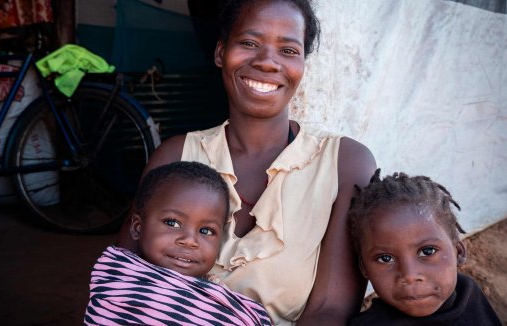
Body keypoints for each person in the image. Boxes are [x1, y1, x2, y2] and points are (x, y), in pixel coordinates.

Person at [118, 0, 377, 324]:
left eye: (288, 50)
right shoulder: (175, 156)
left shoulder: (345, 164)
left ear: (303, 65)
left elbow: (331, 309)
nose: (268, 62)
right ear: (220, 52)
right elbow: (123, 283)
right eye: (249, 43)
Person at [85, 161, 272, 326]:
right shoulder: (119, 285)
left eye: (206, 231)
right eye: (172, 223)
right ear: (137, 227)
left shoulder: (226, 303)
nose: (190, 240)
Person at [347, 170, 501, 325]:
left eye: (428, 251)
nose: (409, 275)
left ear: (458, 252)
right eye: (385, 258)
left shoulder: (468, 292)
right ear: (364, 267)